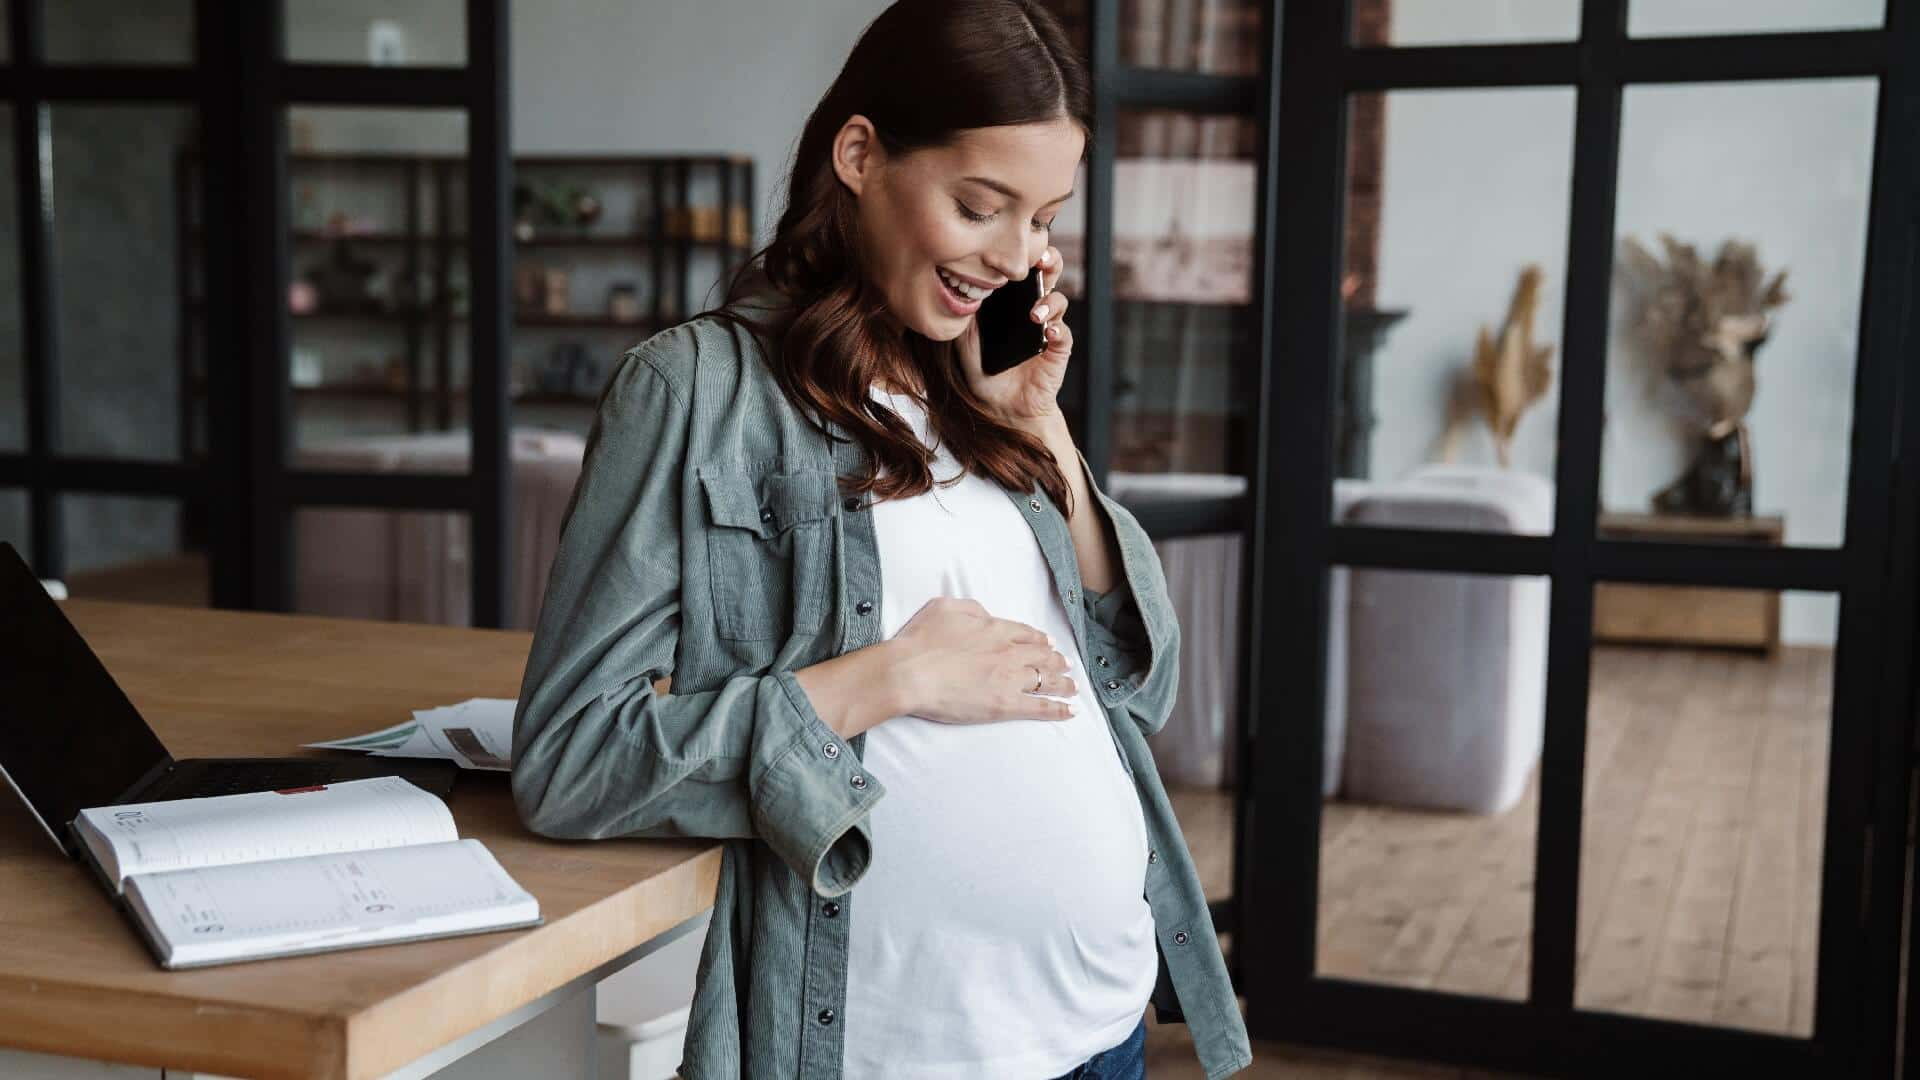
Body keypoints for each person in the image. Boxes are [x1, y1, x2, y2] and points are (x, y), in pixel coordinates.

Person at [510, 1, 1251, 1077]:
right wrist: (887, 679)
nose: (1014, 256)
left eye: (1043, 219)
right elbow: (575, 760)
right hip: (894, 1047)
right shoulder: (695, 392)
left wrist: (1040, 429)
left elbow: (1142, 681)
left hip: (1102, 1027)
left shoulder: (980, 389)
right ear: (859, 154)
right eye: (979, 205)